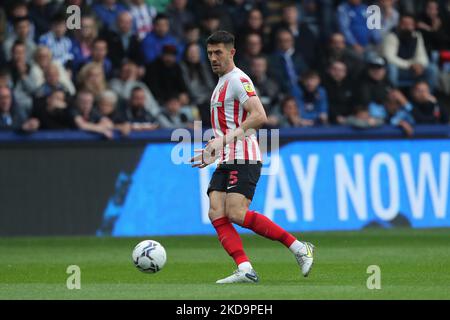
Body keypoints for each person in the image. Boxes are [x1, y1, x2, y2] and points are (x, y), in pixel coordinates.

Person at [190, 31, 314, 284]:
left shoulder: (238, 79)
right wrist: (212, 150)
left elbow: (259, 116)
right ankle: (245, 268)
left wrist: (222, 142)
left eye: (218, 53)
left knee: (236, 212)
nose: (213, 58)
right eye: (210, 53)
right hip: (227, 158)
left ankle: (300, 247)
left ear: (231, 52)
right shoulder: (221, 83)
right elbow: (225, 128)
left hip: (244, 156)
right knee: (216, 212)